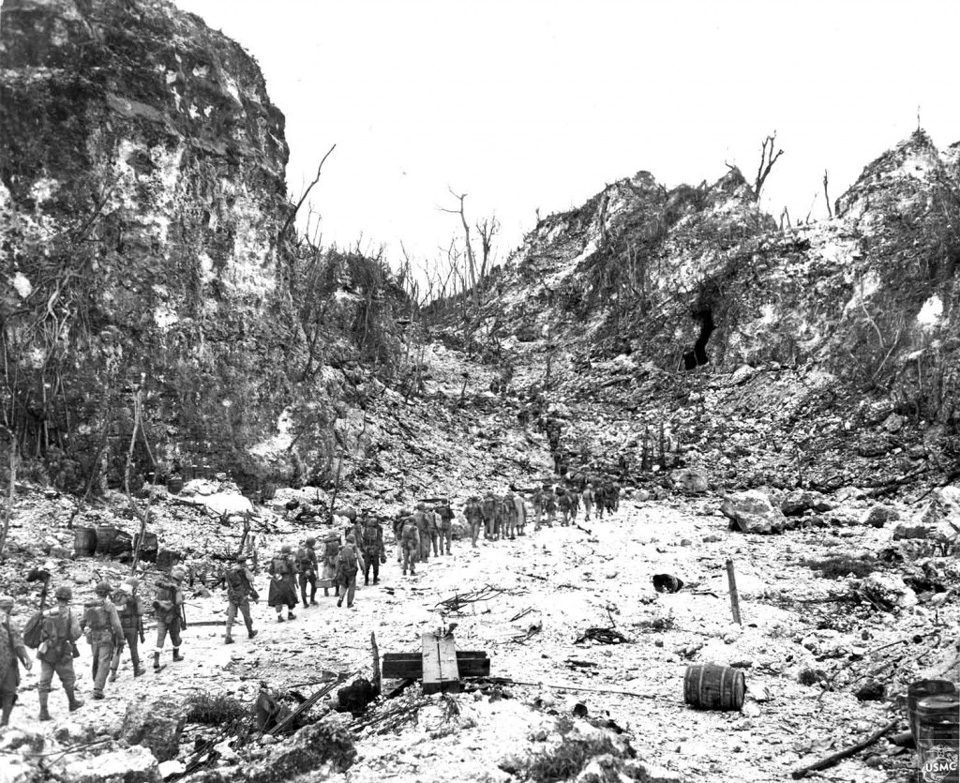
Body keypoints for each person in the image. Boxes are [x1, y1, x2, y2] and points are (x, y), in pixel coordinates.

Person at [37, 586, 83, 720]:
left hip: (46, 651)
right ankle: (72, 703)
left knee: (44, 682)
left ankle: (43, 711)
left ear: (56, 597)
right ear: (68, 599)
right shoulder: (70, 613)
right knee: (68, 678)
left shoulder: (47, 612)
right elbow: (76, 633)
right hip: (63, 651)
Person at [81, 580, 124, 700]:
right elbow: (116, 624)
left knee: (95, 659)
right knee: (104, 661)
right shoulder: (109, 605)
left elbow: (82, 621)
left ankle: (96, 682)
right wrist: (121, 638)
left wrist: (77, 634)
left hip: (92, 635)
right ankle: (98, 688)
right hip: (106, 635)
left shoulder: (88, 605)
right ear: (107, 593)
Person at [0, 594, 32, 726]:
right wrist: (26, 659)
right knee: (9, 692)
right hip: (6, 663)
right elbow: (18, 644)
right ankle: (4, 722)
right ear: (10, 608)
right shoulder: (9, 623)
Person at [110, 578, 146, 681]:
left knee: (117, 648)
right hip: (132, 626)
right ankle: (136, 670)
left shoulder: (116, 596)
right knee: (133, 647)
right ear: (134, 587)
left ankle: (112, 673)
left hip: (119, 626)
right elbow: (141, 611)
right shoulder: (134, 597)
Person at [154, 566, 186, 669]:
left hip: (160, 616)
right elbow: (178, 602)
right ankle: (175, 656)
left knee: (160, 638)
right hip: (173, 617)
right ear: (180, 580)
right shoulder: (176, 589)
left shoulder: (162, 587)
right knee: (175, 636)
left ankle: (156, 660)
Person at [224, 555, 259, 643]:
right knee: (246, 615)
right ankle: (250, 632)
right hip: (242, 595)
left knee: (230, 617)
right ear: (244, 562)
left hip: (232, 595)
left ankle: (228, 635)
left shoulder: (230, 570)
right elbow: (251, 580)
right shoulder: (244, 570)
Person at [268, 544, 299, 622]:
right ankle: (290, 614)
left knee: (278, 598)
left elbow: (270, 571)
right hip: (287, 580)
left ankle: (279, 616)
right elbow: (294, 570)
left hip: (276, 581)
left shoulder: (274, 559)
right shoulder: (289, 559)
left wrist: (276, 574)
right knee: (290, 597)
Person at [335, 535, 363, 608]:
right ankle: (349, 603)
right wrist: (363, 568)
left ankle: (341, 598)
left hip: (343, 570)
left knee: (343, 585)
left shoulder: (342, 548)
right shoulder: (354, 548)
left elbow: (338, 560)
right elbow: (360, 558)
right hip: (352, 571)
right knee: (351, 587)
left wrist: (336, 571)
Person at [361, 516, 385, 585]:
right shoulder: (377, 532)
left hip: (367, 551)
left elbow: (363, 542)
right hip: (375, 551)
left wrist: (364, 549)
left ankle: (366, 581)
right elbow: (380, 542)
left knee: (367, 566)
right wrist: (382, 551)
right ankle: (374, 580)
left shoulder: (365, 531)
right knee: (375, 566)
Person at [297, 538, 319, 607]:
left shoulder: (299, 550)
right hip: (309, 569)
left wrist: (298, 569)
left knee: (303, 587)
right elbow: (314, 562)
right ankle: (312, 600)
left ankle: (305, 603)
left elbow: (296, 562)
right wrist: (316, 570)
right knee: (314, 584)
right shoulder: (311, 551)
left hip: (301, 570)